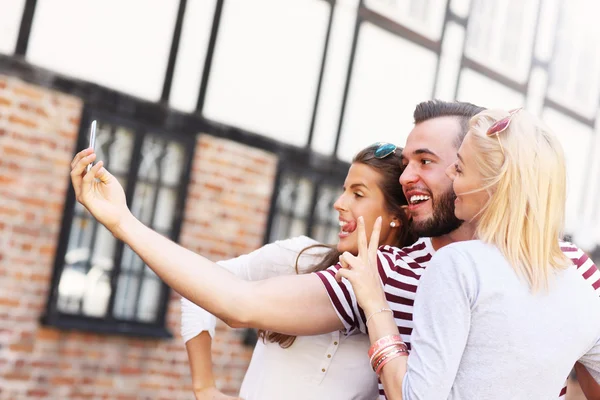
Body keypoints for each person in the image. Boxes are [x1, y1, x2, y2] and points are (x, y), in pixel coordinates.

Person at [69, 100, 600, 399]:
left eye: (431, 161)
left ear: (483, 170)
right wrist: (124, 222)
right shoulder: (385, 271)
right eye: (406, 161)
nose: (409, 176)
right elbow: (237, 302)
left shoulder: (572, 269)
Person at [335, 108, 600, 399]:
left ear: (494, 184)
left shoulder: (460, 266)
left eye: (459, 168)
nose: (450, 174)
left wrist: (375, 304)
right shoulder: (580, 287)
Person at [180, 144, 417, 400]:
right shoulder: (298, 257)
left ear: (397, 216)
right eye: (344, 191)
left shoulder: (403, 306)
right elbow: (199, 284)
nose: (339, 204)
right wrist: (205, 389)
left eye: (358, 194)